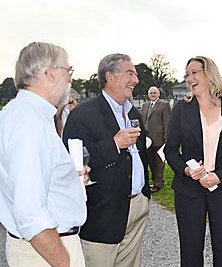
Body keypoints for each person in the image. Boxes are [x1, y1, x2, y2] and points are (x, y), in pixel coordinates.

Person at [0, 42, 87, 267]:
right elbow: (30, 215)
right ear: (49, 73)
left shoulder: (22, 113)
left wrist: (68, 180)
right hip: (45, 252)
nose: (70, 79)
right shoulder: (30, 123)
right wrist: (63, 261)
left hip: (40, 248)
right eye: (68, 71)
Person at [63, 53, 150, 267]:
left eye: (136, 75)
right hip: (103, 214)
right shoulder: (83, 115)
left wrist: (145, 196)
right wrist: (113, 144)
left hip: (137, 206)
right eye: (130, 73)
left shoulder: (134, 113)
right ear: (109, 76)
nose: (136, 80)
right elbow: (72, 161)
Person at [164, 56, 222, 267]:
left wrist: (219, 177)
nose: (189, 78)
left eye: (194, 72)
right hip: (188, 190)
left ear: (209, 75)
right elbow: (171, 150)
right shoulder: (181, 110)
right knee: (190, 250)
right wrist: (185, 170)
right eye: (187, 74)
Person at [141, 86, 171, 192]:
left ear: (158, 94)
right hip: (147, 140)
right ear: (148, 94)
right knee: (150, 162)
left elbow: (167, 123)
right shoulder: (144, 105)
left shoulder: (164, 105)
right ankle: (155, 181)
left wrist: (166, 139)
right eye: (151, 93)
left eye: (155, 93)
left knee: (159, 162)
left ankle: (158, 184)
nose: (153, 95)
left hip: (159, 139)